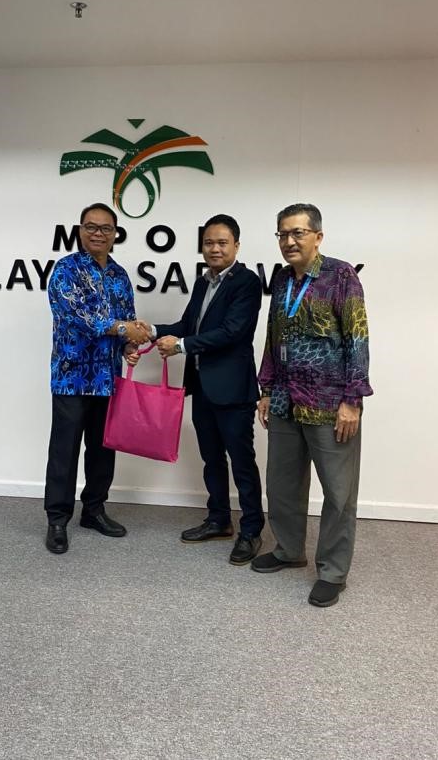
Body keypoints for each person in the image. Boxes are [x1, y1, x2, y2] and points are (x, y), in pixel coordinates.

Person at [253, 203, 373, 607]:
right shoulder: (282, 280)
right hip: (285, 401)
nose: (289, 241)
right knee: (282, 485)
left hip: (329, 404)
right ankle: (289, 550)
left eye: (298, 233)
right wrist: (266, 388)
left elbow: (358, 339)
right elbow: (273, 337)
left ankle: (333, 571)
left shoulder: (341, 276)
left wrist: (353, 400)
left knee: (338, 493)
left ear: (317, 237)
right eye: (283, 234)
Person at [154, 214, 264, 565]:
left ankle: (251, 529)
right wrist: (152, 330)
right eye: (208, 243)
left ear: (236, 245)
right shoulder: (204, 283)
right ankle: (219, 519)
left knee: (242, 462)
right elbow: (188, 325)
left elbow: (232, 332)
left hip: (233, 390)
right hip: (202, 387)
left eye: (222, 242)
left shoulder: (246, 283)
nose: (215, 249)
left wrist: (181, 346)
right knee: (211, 458)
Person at [44, 202, 149, 555]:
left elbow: (127, 322)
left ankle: (94, 510)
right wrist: (122, 329)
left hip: (107, 378)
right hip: (72, 378)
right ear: (80, 230)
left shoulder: (119, 276)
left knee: (103, 449)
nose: (98, 233)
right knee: (64, 450)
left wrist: (128, 346)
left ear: (115, 233)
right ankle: (57, 519)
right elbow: (80, 318)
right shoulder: (65, 270)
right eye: (91, 226)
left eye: (105, 228)